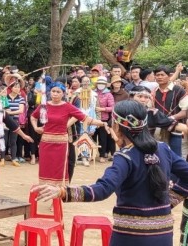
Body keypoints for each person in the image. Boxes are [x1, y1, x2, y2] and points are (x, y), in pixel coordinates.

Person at [31, 100, 188, 246]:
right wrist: (169, 200)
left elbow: (102, 189)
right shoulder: (163, 149)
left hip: (130, 236)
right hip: (164, 234)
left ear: (117, 127)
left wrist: (63, 191)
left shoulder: (125, 156)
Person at [30, 80, 107, 186]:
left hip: (61, 144)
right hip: (46, 143)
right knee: (46, 167)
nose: (55, 94)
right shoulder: (44, 106)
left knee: (59, 168)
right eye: (53, 91)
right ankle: (45, 190)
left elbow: (85, 118)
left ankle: (58, 195)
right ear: (49, 92)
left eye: (58, 92)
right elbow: (33, 116)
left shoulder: (67, 106)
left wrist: (103, 123)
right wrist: (35, 127)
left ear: (63, 94)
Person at [153, 66, 187, 157]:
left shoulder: (179, 90)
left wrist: (170, 118)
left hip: (176, 128)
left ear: (168, 76)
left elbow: (185, 112)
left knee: (176, 156)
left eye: (162, 75)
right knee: (159, 155)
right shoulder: (153, 91)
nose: (159, 77)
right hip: (158, 129)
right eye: (157, 75)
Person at [94, 77, 116, 162]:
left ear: (105, 85)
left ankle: (102, 155)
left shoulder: (108, 94)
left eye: (102, 84)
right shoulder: (93, 92)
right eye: (99, 83)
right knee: (92, 136)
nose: (100, 85)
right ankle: (90, 154)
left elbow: (112, 107)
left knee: (103, 138)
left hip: (103, 119)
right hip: (93, 118)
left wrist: (102, 109)